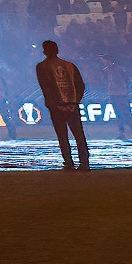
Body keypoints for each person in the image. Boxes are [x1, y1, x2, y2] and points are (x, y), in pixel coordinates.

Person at [36, 39, 90, 171]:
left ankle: (68, 162)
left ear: (44, 51)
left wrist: (54, 104)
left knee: (62, 136)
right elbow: (80, 85)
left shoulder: (42, 66)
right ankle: (84, 162)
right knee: (79, 135)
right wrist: (75, 102)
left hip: (57, 107)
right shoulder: (70, 65)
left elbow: (46, 87)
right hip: (72, 106)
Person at [100, 57, 132, 143]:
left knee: (126, 113)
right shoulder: (107, 70)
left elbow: (125, 81)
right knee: (118, 114)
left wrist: (122, 90)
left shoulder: (118, 70)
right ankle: (123, 132)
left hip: (121, 94)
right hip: (114, 94)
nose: (102, 61)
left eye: (103, 59)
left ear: (108, 60)